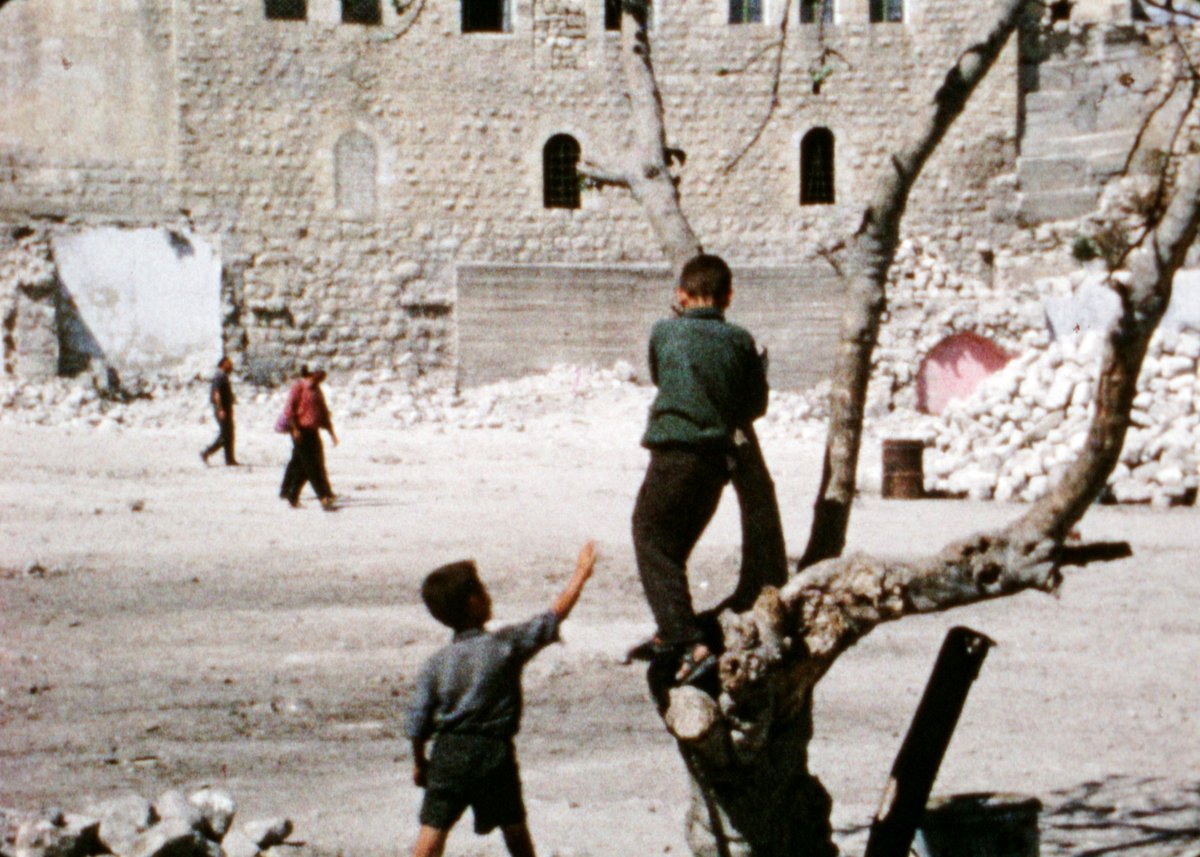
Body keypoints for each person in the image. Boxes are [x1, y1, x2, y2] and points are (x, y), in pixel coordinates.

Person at [631, 253, 772, 686]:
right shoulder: (740, 340)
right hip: (717, 464)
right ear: (729, 295)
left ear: (681, 294)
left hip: (674, 454)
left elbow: (661, 377)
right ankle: (671, 627)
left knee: (650, 536)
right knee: (672, 548)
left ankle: (686, 640)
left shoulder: (664, 332)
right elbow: (755, 406)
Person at [406, 542, 597, 857]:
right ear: (473, 602)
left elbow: (417, 721)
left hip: (448, 753)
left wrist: (419, 762)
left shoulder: (435, 663)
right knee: (516, 835)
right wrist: (580, 575)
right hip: (493, 753)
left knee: (430, 838)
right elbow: (551, 618)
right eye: (482, 590)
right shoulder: (504, 646)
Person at [279, 367, 338, 510]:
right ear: (311, 374)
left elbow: (323, 412)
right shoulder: (299, 387)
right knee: (312, 466)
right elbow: (289, 410)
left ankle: (291, 495)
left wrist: (331, 433)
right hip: (300, 431)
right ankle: (323, 497)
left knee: (304, 465)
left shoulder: (317, 390)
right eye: (318, 375)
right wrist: (294, 429)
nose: (320, 379)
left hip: (313, 431)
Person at [201, 356, 238, 466]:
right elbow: (216, 394)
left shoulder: (223, 376)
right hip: (222, 410)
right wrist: (220, 409)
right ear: (223, 364)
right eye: (229, 364)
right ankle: (206, 453)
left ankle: (230, 459)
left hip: (226, 409)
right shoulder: (219, 376)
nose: (231, 366)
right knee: (225, 435)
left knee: (229, 434)